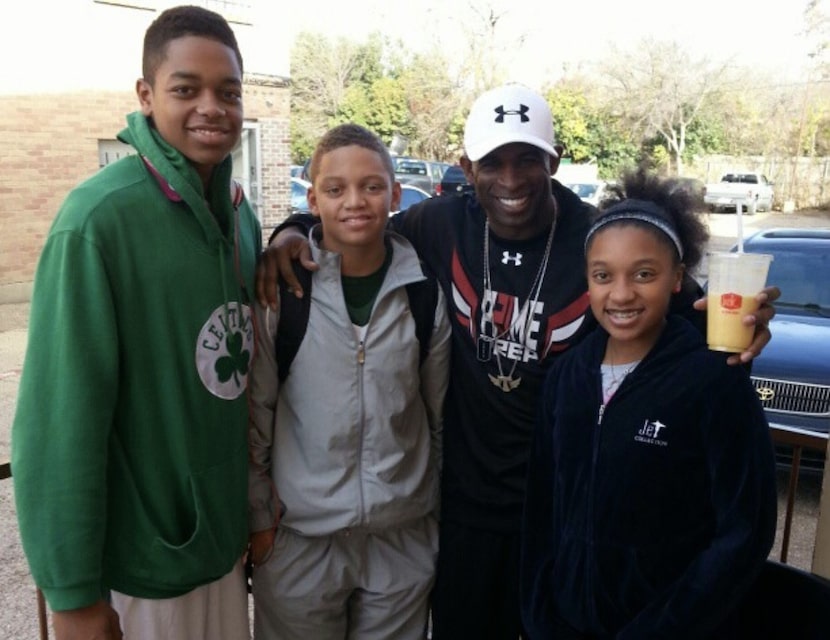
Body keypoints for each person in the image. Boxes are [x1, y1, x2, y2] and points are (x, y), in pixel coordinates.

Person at [256, 84, 778, 639]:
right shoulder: (436, 224)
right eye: (492, 162)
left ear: (552, 162)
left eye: (528, 159)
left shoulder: (599, 238)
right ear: (466, 166)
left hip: (557, 515)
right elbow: (350, 218)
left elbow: (684, 302)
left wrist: (748, 325)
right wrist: (289, 233)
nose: (510, 179)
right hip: (464, 510)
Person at [11, 6, 260, 640]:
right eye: (186, 89)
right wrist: (71, 595)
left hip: (223, 552)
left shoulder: (240, 217)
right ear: (146, 96)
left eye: (228, 92)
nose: (212, 107)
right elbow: (60, 420)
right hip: (143, 568)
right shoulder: (97, 220)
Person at [521, 167, 778, 638]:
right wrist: (540, 615)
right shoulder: (566, 377)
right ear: (588, 281)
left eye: (644, 274)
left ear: (677, 277)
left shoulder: (713, 378)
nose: (621, 294)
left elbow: (745, 530)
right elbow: (541, 510)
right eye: (603, 275)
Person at [247, 123, 451, 639]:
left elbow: (438, 414)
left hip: (400, 540)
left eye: (372, 186)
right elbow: (256, 414)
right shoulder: (284, 294)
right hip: (300, 541)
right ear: (312, 200)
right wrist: (260, 521)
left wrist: (433, 520)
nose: (355, 201)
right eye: (335, 190)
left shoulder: (424, 294)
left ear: (396, 194)